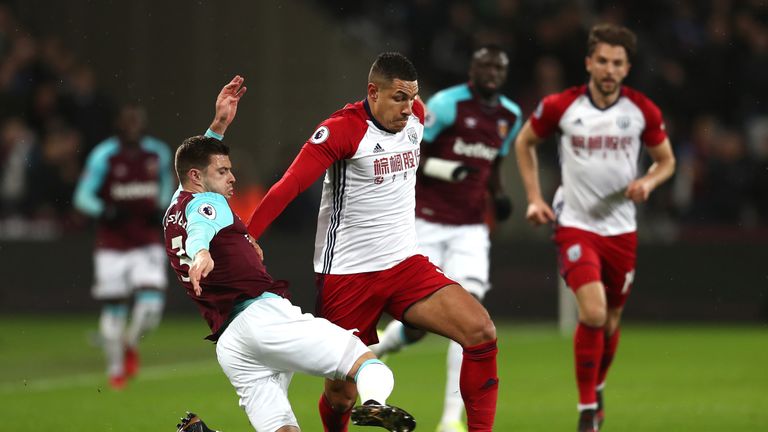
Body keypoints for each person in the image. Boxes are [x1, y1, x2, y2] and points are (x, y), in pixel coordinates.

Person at [246, 52, 499, 432]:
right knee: (340, 396)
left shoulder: (417, 117)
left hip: (405, 264)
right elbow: (291, 185)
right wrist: (248, 235)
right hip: (348, 275)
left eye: (413, 97)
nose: (408, 107)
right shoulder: (342, 130)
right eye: (399, 97)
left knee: (480, 332)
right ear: (372, 92)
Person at [165, 75, 415, 432]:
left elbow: (196, 177)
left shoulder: (174, 206)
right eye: (223, 172)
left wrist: (218, 126)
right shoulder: (209, 203)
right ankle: (376, 403)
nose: (232, 178)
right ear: (196, 177)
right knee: (363, 360)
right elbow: (202, 226)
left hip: (232, 343)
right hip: (262, 319)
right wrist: (202, 251)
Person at [514, 24, 676, 432]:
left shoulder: (641, 111)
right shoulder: (562, 106)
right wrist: (534, 197)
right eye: (602, 60)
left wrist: (648, 183)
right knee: (594, 311)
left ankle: (597, 385)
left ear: (627, 68)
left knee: (612, 320)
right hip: (576, 224)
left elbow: (667, 161)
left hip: (621, 230)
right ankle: (587, 410)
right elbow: (524, 142)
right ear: (588, 62)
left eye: (617, 62)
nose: (608, 69)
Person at [370, 45, 522, 432]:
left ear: (504, 74)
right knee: (418, 326)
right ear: (472, 68)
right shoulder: (448, 104)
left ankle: (450, 419)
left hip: (471, 227)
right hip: (427, 221)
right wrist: (448, 169)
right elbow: (414, 149)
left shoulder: (510, 115)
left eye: (498, 67)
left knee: (469, 319)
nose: (490, 72)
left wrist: (498, 194)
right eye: (484, 64)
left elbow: (493, 162)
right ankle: (384, 347)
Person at [73, 103, 174, 390]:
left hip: (146, 241)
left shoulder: (158, 153)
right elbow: (82, 196)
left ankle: (130, 343)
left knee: (151, 308)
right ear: (118, 125)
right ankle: (115, 369)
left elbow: (166, 186)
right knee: (115, 306)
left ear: (143, 125)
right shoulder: (104, 155)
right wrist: (104, 210)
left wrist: (161, 207)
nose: (131, 127)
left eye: (136, 122)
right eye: (126, 122)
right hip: (112, 244)